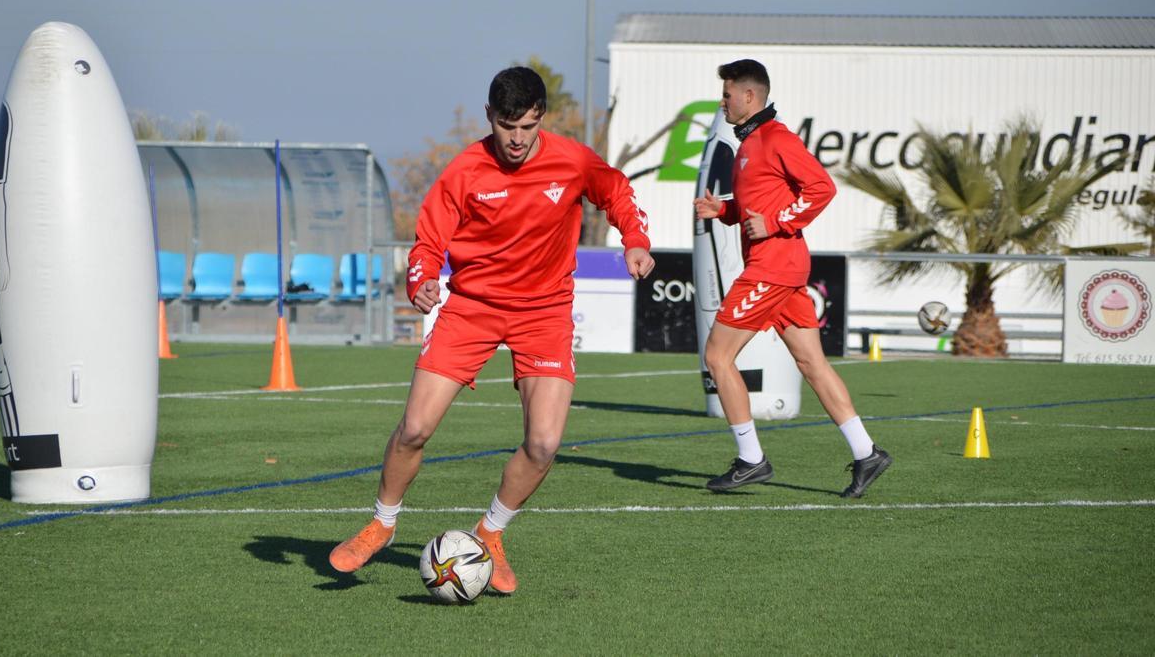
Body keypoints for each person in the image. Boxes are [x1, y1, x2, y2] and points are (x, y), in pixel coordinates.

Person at [330, 66, 655, 592]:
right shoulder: (464, 171)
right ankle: (381, 524)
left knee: (545, 443)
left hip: (544, 312)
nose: (518, 139)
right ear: (490, 117)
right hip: (471, 309)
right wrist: (421, 282)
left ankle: (491, 534)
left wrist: (636, 239)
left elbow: (616, 190)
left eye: (528, 126)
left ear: (541, 118)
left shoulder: (571, 160)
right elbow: (427, 242)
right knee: (414, 429)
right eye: (508, 126)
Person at [692, 59, 891, 498]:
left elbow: (822, 188)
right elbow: (757, 206)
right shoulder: (748, 143)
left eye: (727, 95)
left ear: (749, 97)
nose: (722, 102)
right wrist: (722, 211)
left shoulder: (776, 138)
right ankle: (867, 453)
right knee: (812, 364)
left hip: (772, 268)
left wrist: (777, 222)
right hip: (782, 268)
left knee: (717, 356)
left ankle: (750, 459)